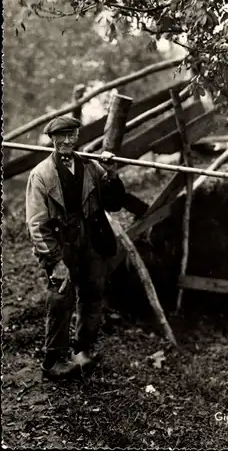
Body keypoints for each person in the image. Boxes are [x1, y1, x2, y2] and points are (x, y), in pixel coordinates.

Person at [26, 116, 126, 380]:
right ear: (52, 139)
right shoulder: (41, 175)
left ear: (77, 137)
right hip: (62, 245)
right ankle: (53, 362)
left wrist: (112, 173)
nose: (67, 141)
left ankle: (82, 349)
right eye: (62, 136)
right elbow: (37, 225)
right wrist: (56, 261)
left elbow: (115, 203)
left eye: (72, 135)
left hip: (91, 240)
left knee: (93, 292)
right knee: (61, 298)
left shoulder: (90, 166)